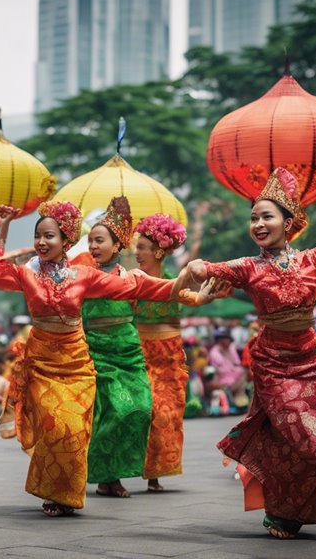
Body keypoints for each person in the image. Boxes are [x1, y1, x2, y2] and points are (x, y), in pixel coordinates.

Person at [186, 168, 316, 539]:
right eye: (253, 217)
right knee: (300, 438)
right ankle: (279, 511)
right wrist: (194, 276)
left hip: (310, 362)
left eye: (266, 216)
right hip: (272, 364)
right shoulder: (248, 267)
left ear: (289, 224)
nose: (257, 223)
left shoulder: (311, 260)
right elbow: (199, 268)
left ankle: (288, 511)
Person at [0, 201, 186, 517]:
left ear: (66, 241)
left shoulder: (83, 275)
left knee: (73, 429)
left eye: (49, 236)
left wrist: (183, 285)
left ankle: (65, 495)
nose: (42, 243)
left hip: (76, 363)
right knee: (54, 426)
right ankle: (53, 489)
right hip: (42, 361)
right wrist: (3, 229)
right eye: (38, 237)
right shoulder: (26, 273)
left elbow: (133, 285)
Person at [72, 198, 219, 499]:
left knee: (142, 411)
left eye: (100, 240)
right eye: (91, 241)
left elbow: (166, 290)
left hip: (133, 354)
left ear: (116, 246)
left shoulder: (132, 278)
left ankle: (126, 473)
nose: (94, 246)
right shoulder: (81, 274)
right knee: (111, 412)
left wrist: (193, 285)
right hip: (96, 352)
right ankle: (105, 476)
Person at [132, 212, 223, 492]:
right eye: (136, 247)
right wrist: (186, 279)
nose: (136, 253)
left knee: (166, 413)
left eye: (142, 248)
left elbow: (189, 297)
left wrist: (206, 295)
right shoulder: (133, 279)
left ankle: (154, 473)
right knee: (142, 411)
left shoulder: (174, 280)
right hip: (140, 353)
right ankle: (125, 467)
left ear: (159, 251)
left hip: (169, 355)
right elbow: (170, 290)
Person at [208, 327, 248, 408]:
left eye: (225, 338)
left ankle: (239, 399)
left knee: (244, 372)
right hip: (223, 383)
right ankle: (236, 399)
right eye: (221, 338)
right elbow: (221, 370)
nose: (223, 341)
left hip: (235, 379)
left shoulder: (231, 349)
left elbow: (237, 364)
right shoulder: (215, 352)